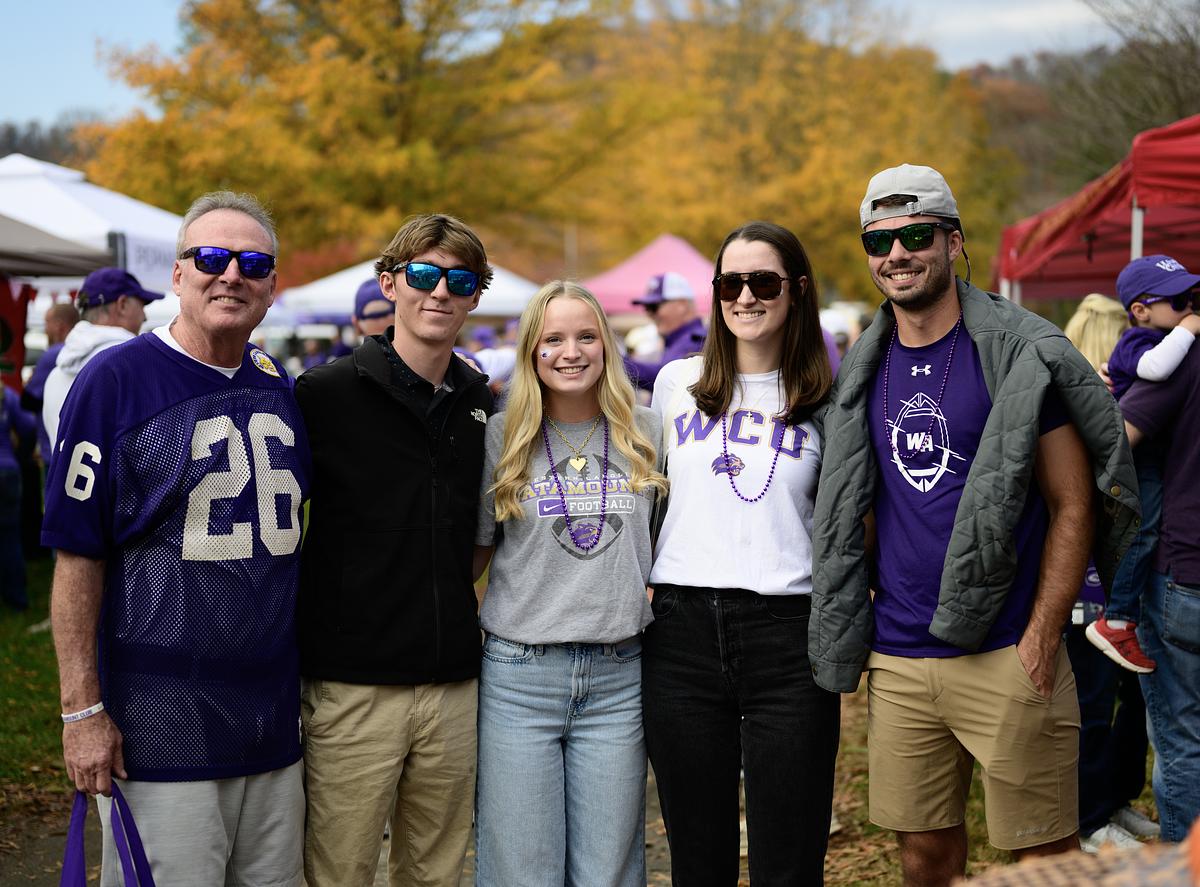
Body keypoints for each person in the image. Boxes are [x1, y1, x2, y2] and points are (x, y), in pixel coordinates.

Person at [811, 164, 1138, 886]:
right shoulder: (863, 367)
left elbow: (1073, 501)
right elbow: (857, 505)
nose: (896, 254)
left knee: (1045, 854)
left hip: (1007, 649)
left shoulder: (1019, 351)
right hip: (900, 655)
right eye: (879, 240)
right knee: (924, 853)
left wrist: (1043, 635)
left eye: (915, 234)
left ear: (953, 242)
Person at [43, 191, 310, 886]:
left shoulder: (277, 382)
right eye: (212, 258)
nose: (232, 275)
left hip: (271, 727)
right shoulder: (116, 380)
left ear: (273, 284)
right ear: (178, 274)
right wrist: (82, 710)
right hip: (161, 726)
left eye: (253, 262)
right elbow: (77, 556)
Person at [295, 213, 494, 887]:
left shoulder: (478, 401)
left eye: (459, 280)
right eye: (424, 275)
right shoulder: (324, 394)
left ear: (474, 297)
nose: (440, 292)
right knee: (338, 870)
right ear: (391, 283)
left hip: (453, 684)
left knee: (437, 873)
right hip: (354, 687)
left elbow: (478, 533)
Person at [642, 222, 839, 885]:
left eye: (764, 282)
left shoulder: (826, 399)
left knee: (790, 852)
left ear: (797, 290)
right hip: (681, 632)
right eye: (731, 282)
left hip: (789, 635)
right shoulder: (677, 383)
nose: (745, 296)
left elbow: (852, 521)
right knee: (699, 855)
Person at [472, 280, 667, 886]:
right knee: (522, 871)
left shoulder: (649, 432)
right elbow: (475, 554)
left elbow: (665, 545)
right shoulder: (501, 438)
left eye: (586, 336)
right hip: (519, 678)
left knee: (608, 872)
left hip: (619, 676)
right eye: (552, 339)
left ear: (607, 345)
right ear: (531, 351)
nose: (570, 352)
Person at [1061, 294, 1157, 853]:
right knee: (1094, 703)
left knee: (1117, 700)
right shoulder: (1081, 398)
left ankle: (1111, 800)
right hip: (1085, 585)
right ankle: (1090, 817)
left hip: (1113, 584)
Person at [1085, 256, 1200, 674]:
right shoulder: (1138, 343)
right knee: (1141, 534)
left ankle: (1117, 619)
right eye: (1179, 300)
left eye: (1194, 297)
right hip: (1138, 462)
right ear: (1140, 310)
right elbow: (1156, 368)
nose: (1190, 307)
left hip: (1147, 459)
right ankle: (1116, 620)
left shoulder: (1159, 338)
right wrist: (1188, 330)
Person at [1120, 256, 1200, 844]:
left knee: (1184, 736)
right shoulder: (1167, 352)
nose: (1190, 310)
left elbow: (1119, 443)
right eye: (1183, 301)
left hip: (1183, 573)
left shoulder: (1178, 362)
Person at [42, 268, 165, 455]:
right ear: (122, 304)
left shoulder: (55, 374)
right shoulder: (138, 362)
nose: (145, 316)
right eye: (142, 305)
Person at [624, 271, 707, 391]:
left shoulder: (696, 341)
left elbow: (665, 381)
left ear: (682, 305)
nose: (649, 314)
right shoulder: (678, 340)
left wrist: (616, 362)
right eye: (647, 308)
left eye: (653, 307)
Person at [22, 302, 79, 467]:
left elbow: (27, 401)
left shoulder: (54, 353)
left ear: (59, 325)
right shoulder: (86, 350)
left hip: (52, 447)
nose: (45, 329)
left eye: (47, 323)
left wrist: (30, 383)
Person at [0, 384, 36, 609]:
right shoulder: (6, 395)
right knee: (10, 537)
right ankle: (17, 598)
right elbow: (29, 426)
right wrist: (21, 456)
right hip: (7, 472)